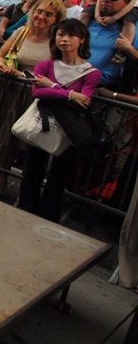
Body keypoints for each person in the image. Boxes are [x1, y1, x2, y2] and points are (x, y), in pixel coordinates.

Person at [16, 19, 101, 221]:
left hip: (67, 128)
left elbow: (83, 101)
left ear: (82, 40)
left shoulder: (92, 73)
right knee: (32, 170)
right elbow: (38, 92)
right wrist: (70, 95)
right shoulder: (45, 65)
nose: (65, 39)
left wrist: (52, 87)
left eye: (71, 35)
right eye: (61, 34)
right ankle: (26, 210)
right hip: (42, 123)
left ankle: (48, 216)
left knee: (58, 175)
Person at [0, 0, 65, 197]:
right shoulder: (21, 32)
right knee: (8, 139)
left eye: (48, 14)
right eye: (38, 11)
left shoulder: (57, 41)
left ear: (56, 18)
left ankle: (27, 190)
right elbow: (0, 54)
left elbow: (61, 69)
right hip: (15, 92)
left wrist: (32, 77)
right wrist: (3, 66)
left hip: (39, 96)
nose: (41, 17)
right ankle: (1, 180)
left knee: (33, 144)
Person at [82, 0, 138, 90]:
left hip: (105, 89)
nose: (106, 1)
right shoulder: (88, 19)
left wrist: (129, 49)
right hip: (75, 82)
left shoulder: (132, 26)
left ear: (124, 2)